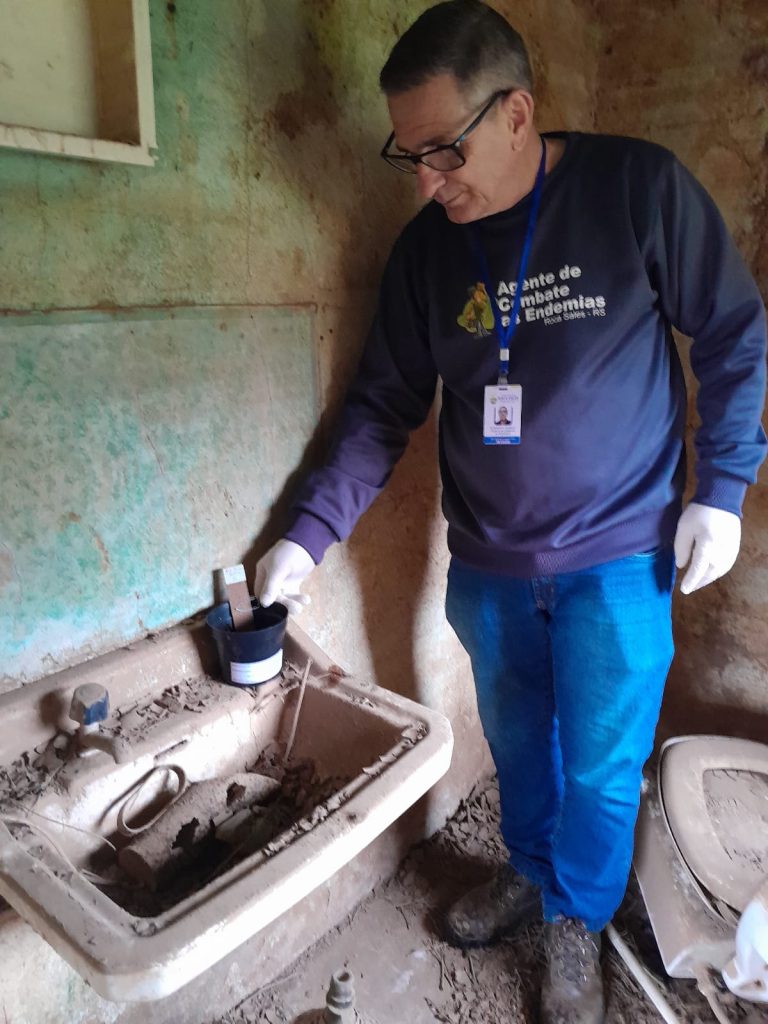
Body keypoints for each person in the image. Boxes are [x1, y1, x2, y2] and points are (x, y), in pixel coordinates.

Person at [254, 3, 768, 1021]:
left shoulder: (636, 189)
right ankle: (530, 872)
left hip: (619, 557)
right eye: (408, 155)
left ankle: (577, 918)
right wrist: (304, 539)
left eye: (443, 151)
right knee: (520, 741)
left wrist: (722, 490)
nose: (425, 181)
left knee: (604, 762)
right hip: (489, 567)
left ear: (517, 113)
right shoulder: (425, 254)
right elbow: (380, 409)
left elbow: (732, 335)